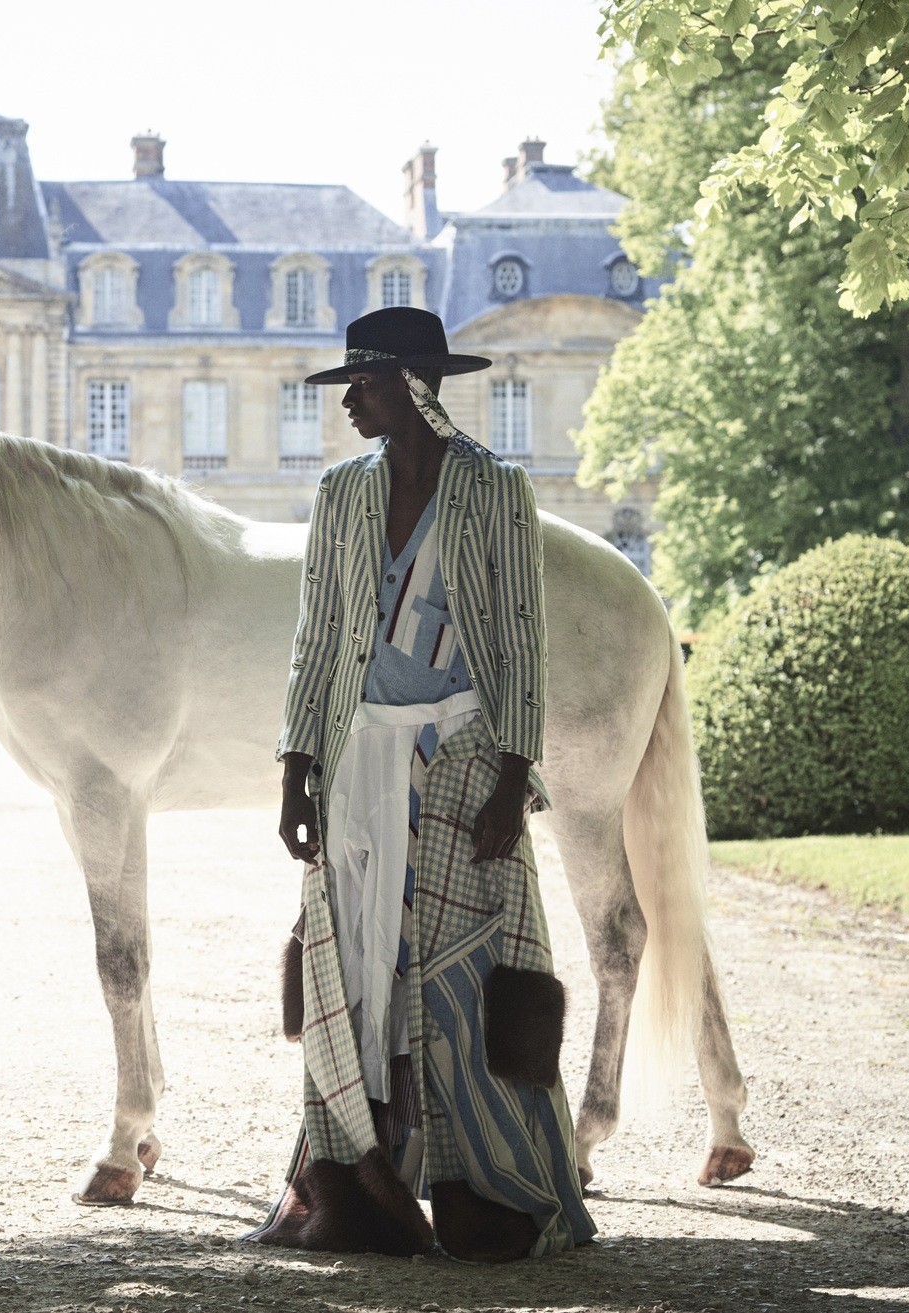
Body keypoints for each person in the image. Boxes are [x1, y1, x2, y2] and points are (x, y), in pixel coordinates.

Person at [250, 308, 595, 1261]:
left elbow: (520, 637)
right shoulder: (341, 493)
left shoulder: (493, 490)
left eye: (359, 384)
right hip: (356, 762)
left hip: (462, 760)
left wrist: (511, 778)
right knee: (353, 970)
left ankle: (490, 1188)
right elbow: (317, 637)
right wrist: (295, 771)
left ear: (409, 382)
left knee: (467, 974)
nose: (348, 401)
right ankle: (354, 1188)